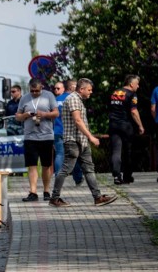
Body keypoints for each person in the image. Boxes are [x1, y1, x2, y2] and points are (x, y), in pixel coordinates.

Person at [49, 78, 118, 208]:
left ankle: (97, 197)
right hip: (73, 141)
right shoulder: (73, 99)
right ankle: (54, 198)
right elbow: (78, 121)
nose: (91, 92)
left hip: (81, 141)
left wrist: (86, 139)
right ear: (81, 89)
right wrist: (91, 137)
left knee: (89, 169)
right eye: (89, 90)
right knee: (65, 169)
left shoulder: (78, 99)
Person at [16, 79, 58, 201]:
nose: (34, 93)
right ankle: (33, 192)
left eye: (37, 91)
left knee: (46, 165)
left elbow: (56, 113)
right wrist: (25, 115)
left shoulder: (49, 96)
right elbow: (17, 116)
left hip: (46, 136)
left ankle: (46, 191)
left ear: (42, 88)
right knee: (32, 165)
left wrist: (44, 114)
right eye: (32, 91)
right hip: (30, 136)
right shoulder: (24, 98)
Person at [108, 74, 145, 185]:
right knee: (128, 151)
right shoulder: (132, 94)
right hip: (125, 125)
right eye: (137, 84)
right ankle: (127, 176)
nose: (138, 87)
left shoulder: (115, 92)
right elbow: (134, 111)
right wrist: (140, 125)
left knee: (116, 150)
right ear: (131, 84)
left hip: (113, 125)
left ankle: (116, 176)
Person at [53, 79, 83, 185]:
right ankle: (78, 177)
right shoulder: (73, 99)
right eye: (76, 86)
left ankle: (58, 177)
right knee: (73, 155)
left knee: (60, 155)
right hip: (69, 131)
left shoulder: (56, 100)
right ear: (71, 87)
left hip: (56, 130)